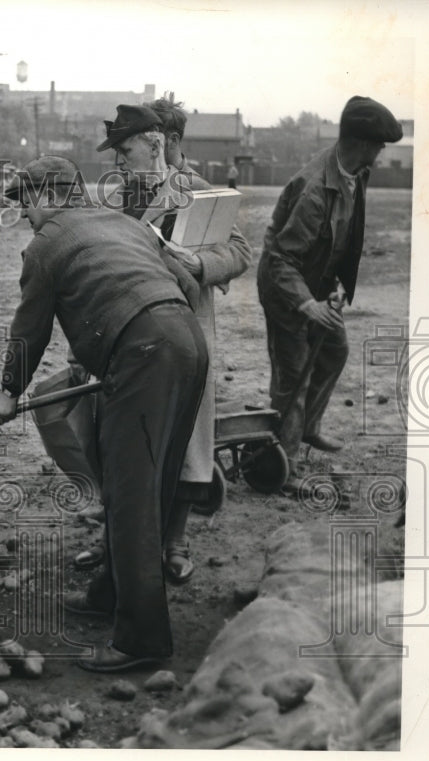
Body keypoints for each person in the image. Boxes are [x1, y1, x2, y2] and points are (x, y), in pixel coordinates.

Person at [0, 156, 208, 673]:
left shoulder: (46, 244)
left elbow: (30, 330)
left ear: (47, 196)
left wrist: (5, 393)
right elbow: (192, 289)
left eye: (25, 202)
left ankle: (141, 640)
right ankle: (110, 593)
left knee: (130, 492)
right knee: (143, 484)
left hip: (145, 354)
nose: (23, 215)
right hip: (186, 344)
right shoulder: (127, 223)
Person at [103, 103, 251, 584]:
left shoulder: (202, 194)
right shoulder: (124, 195)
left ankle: (176, 539)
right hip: (132, 332)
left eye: (132, 148)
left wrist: (200, 265)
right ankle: (118, 544)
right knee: (129, 439)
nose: (124, 161)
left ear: (162, 140)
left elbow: (240, 251)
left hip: (188, 328)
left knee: (190, 437)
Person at [257, 95, 402, 491]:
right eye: (378, 144)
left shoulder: (356, 171)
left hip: (319, 285)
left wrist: (335, 287)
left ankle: (306, 428)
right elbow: (281, 259)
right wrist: (305, 303)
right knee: (293, 374)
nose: (381, 152)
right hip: (287, 291)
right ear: (360, 142)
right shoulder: (314, 191)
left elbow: (345, 236)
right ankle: (283, 467)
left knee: (335, 349)